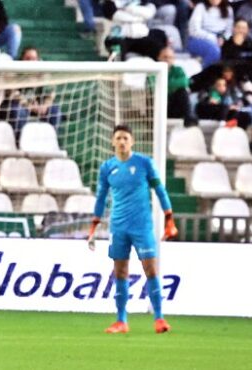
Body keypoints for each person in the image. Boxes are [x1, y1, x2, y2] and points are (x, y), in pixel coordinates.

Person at [87, 124, 178, 334]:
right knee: (120, 271)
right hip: (118, 226)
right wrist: (94, 225)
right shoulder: (107, 167)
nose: (122, 142)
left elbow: (160, 190)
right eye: (118, 138)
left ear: (132, 141)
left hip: (142, 226)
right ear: (112, 142)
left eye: (125, 138)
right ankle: (121, 320)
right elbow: (101, 198)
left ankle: (159, 318)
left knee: (151, 269)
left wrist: (169, 218)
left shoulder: (144, 163)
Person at [187, 0, 234, 67]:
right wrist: (213, 38)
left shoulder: (228, 9)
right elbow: (194, 30)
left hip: (220, 38)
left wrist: (224, 37)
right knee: (213, 50)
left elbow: (229, 30)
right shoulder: (201, 7)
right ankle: (204, 73)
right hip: (200, 38)